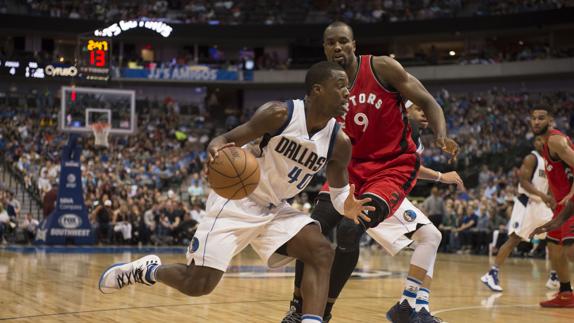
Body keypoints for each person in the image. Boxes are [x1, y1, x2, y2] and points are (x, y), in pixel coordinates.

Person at [98, 61, 374, 323]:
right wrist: (215, 151)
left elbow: (338, 194)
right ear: (318, 89)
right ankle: (147, 271)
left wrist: (346, 206)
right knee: (198, 285)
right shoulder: (280, 114)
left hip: (275, 208)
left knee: (321, 251)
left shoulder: (339, 142)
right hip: (236, 201)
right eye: (341, 86)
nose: (348, 93)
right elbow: (225, 140)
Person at [282, 24, 460, 319]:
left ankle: (324, 311)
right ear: (324, 48)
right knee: (311, 230)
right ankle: (297, 307)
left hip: (390, 167)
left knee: (351, 231)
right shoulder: (324, 88)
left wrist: (441, 135)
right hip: (349, 169)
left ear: (354, 44)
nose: (337, 47)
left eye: (342, 41)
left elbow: (428, 101)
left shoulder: (381, 67)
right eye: (330, 43)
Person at [481, 136, 558, 292]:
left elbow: (548, 186)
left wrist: (551, 199)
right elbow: (524, 182)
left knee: (556, 237)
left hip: (541, 205)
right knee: (515, 239)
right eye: (537, 140)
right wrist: (543, 196)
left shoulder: (549, 162)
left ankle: (554, 277)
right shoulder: (531, 158)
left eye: (542, 140)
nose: (540, 142)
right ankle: (492, 274)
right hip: (526, 203)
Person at [528, 107, 574, 308]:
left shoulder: (555, 140)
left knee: (571, 251)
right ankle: (566, 294)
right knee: (554, 247)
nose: (536, 122)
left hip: (571, 204)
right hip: (560, 206)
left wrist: (572, 192)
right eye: (533, 118)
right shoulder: (546, 144)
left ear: (551, 120)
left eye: (541, 118)